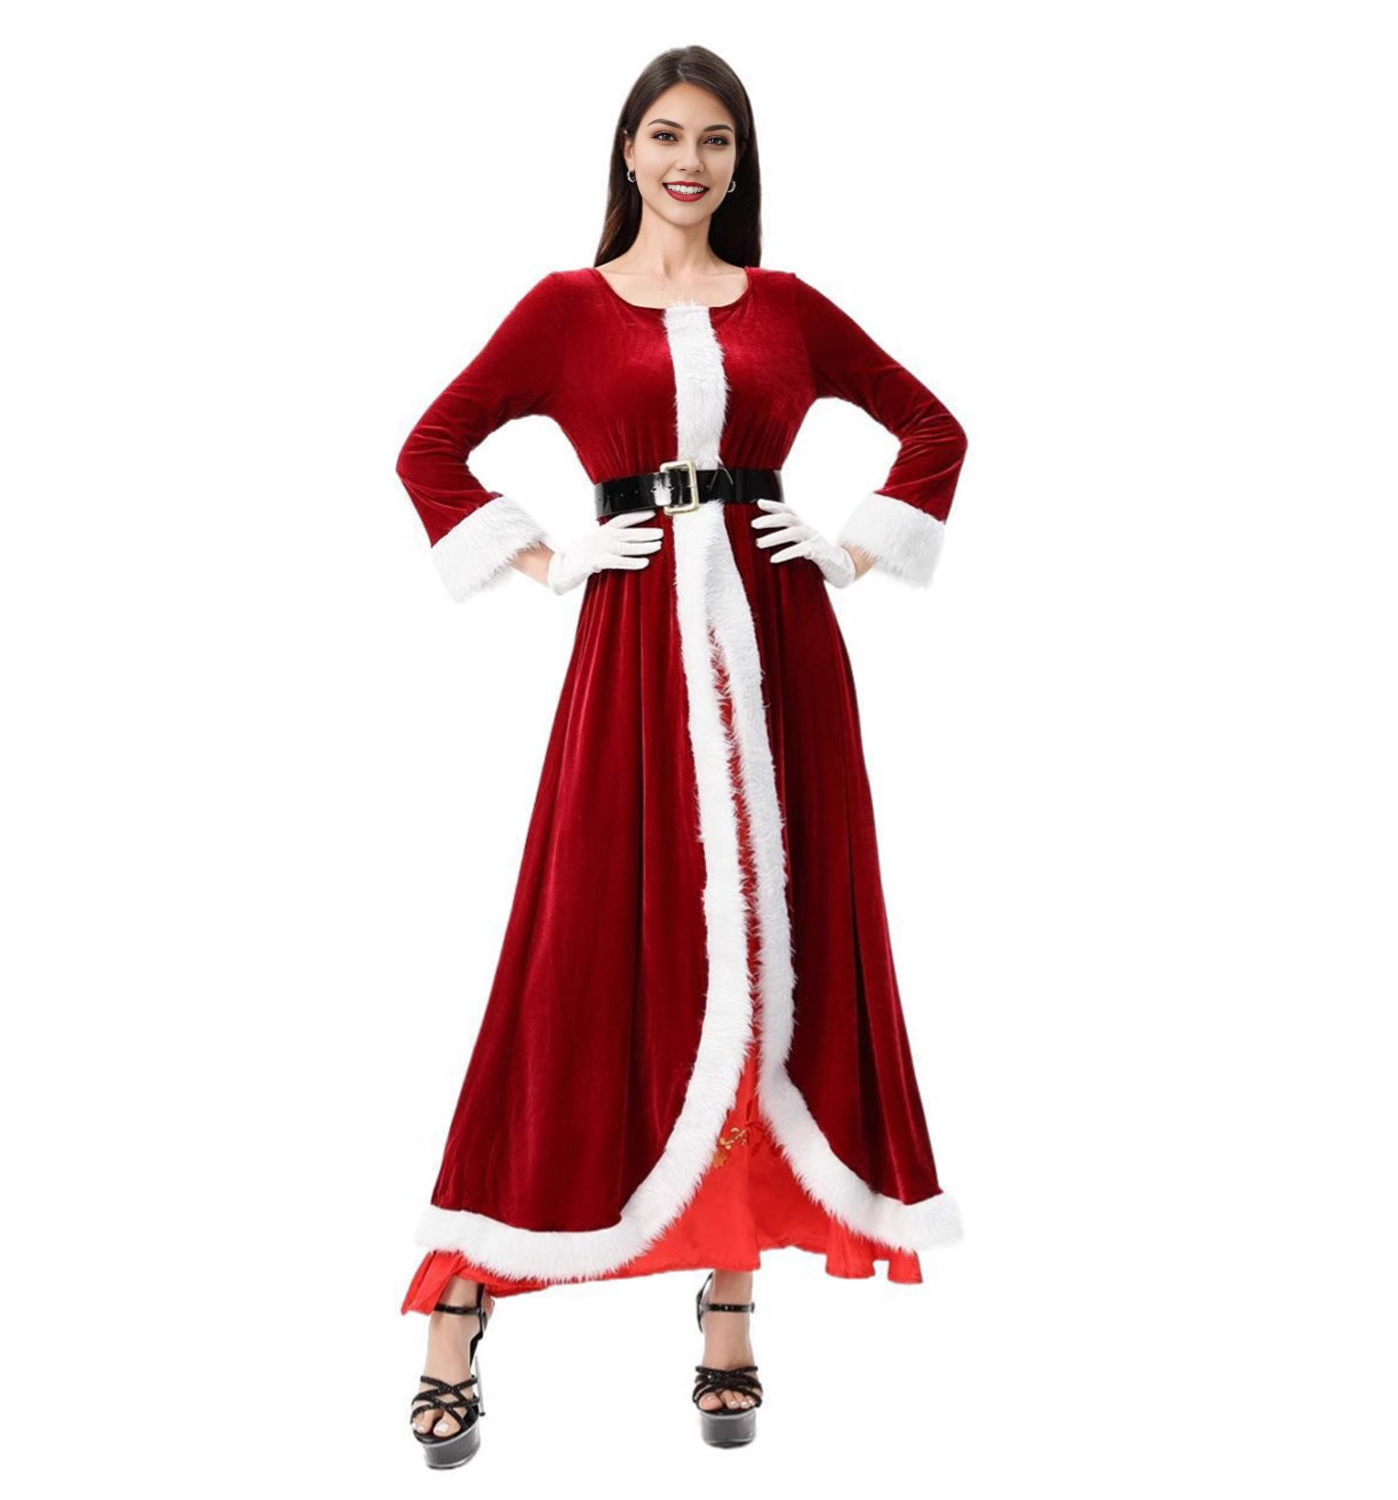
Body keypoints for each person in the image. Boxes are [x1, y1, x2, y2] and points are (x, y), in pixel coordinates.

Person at [394, 44, 968, 1467]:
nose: (689, 162)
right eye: (665, 135)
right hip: (637, 649)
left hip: (782, 659)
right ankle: (461, 1297)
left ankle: (730, 1302)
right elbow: (432, 448)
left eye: (714, 139)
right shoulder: (565, 309)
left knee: (780, 951)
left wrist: (849, 549)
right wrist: (550, 559)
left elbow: (933, 428)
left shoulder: (788, 307)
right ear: (628, 151)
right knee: (582, 946)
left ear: (739, 159)